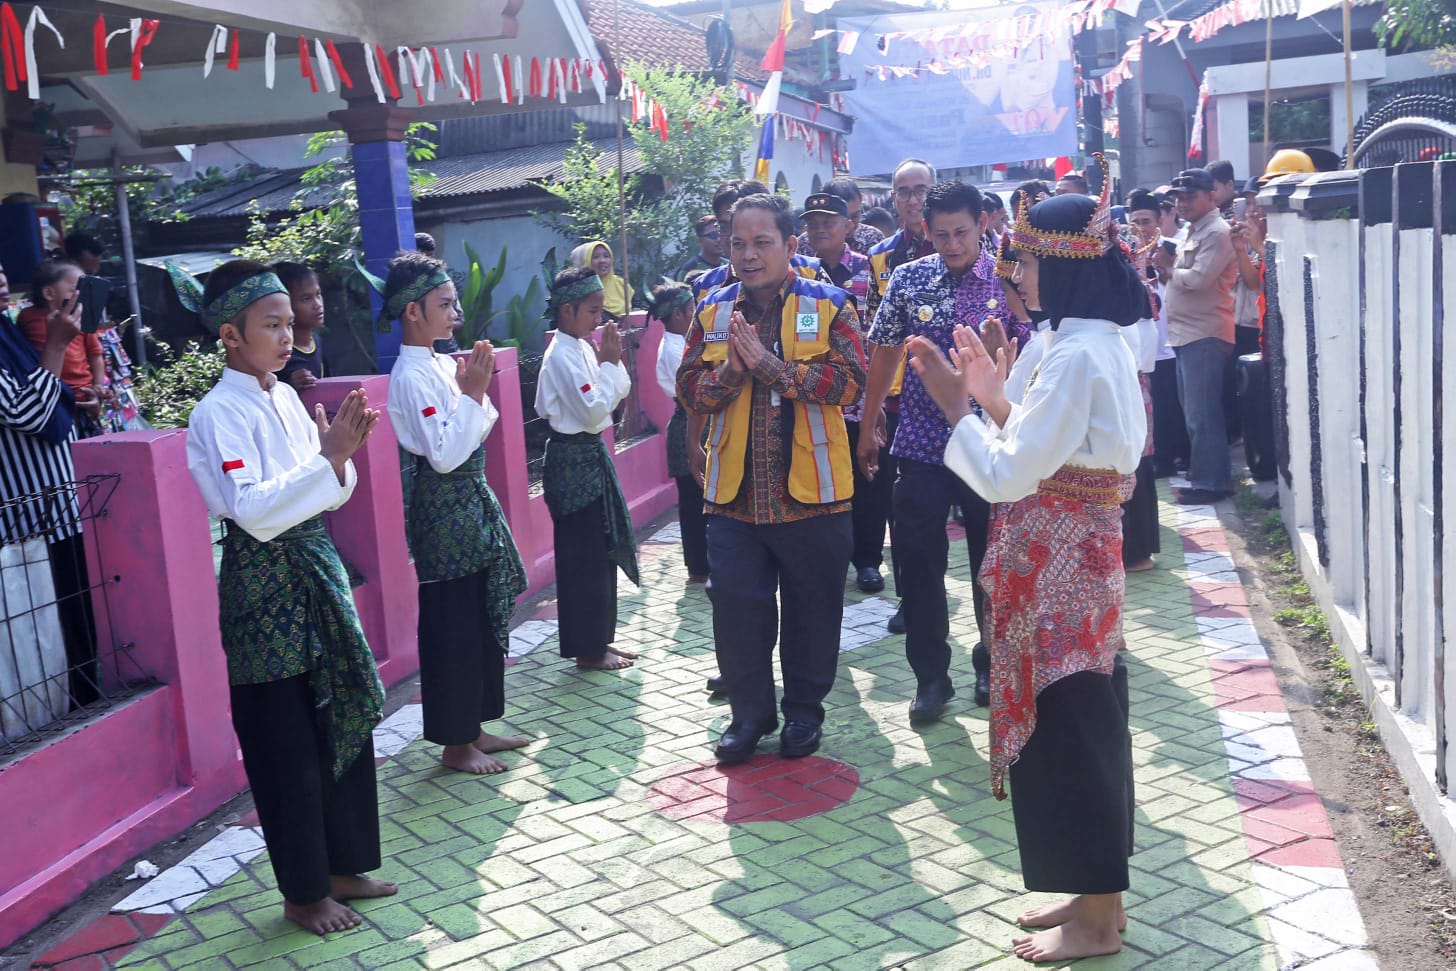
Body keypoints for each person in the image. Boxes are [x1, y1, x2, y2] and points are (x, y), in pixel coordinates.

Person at [907, 188, 1144, 964]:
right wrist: (995, 400)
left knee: (1077, 730)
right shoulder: (1077, 339)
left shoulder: (1078, 352)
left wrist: (959, 409)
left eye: (1032, 257)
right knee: (1080, 729)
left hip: (1062, 574)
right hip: (1064, 566)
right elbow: (1044, 446)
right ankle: (1093, 897)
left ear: (1069, 264)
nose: (1020, 270)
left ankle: (1100, 923)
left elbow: (1012, 475)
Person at [184, 259, 394, 936]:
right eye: (270, 324)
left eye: (286, 322)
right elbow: (254, 513)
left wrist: (335, 456)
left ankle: (343, 863)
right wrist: (328, 458)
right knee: (287, 745)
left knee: (338, 721)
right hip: (262, 587)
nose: (286, 333)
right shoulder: (217, 413)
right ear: (231, 336)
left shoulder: (283, 397)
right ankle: (302, 892)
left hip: (313, 571)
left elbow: (338, 486)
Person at [678, 193, 866, 765]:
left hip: (815, 493)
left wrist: (770, 368)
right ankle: (749, 716)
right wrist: (732, 373)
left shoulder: (832, 305)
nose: (748, 254)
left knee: (814, 609)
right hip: (733, 499)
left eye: (762, 242)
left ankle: (805, 712)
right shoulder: (711, 311)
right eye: (738, 242)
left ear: (790, 245)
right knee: (737, 610)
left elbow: (851, 384)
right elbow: (690, 388)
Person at [863, 180, 1032, 720]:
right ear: (924, 232)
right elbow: (885, 353)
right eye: (940, 235)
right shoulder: (909, 280)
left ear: (983, 223)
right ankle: (931, 678)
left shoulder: (1009, 278)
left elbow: (1029, 360)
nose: (952, 244)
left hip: (992, 444)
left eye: (961, 232)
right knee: (917, 564)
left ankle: (989, 662)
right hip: (920, 444)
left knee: (993, 560)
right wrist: (869, 423)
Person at [385, 251, 530, 776]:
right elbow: (444, 455)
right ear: (412, 312)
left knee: (476, 618)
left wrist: (471, 396)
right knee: (451, 626)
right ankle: (454, 744)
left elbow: (480, 421)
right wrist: (471, 397)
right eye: (444, 305)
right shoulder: (410, 376)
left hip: (469, 500)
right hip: (442, 509)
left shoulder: (445, 364)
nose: (454, 315)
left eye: (454, 304)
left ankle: (476, 727)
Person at [0, 259, 100, 708]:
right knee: (46, 634)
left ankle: (88, 703)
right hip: (26, 522)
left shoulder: (8, 332)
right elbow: (27, 415)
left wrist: (79, 399)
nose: (3, 278)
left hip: (59, 507)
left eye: (3, 269)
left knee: (82, 624)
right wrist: (58, 346)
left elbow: (47, 393)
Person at [536, 267, 640, 670]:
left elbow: (608, 399)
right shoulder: (561, 354)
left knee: (599, 551)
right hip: (572, 461)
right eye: (593, 310)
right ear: (567, 310)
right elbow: (597, 412)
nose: (600, 319)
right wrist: (612, 365)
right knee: (582, 556)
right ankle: (587, 649)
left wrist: (610, 369)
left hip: (589, 456)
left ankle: (600, 640)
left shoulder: (579, 346)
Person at [862, 159, 939, 631]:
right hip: (900, 401)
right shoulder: (882, 258)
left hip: (961, 399)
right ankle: (912, 601)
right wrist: (872, 412)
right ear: (893, 199)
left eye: (921, 189)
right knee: (906, 513)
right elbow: (877, 336)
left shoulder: (970, 243)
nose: (913, 199)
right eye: (904, 191)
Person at [1165, 168, 1238, 504]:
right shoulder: (1197, 230)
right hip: (1188, 332)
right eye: (1178, 198)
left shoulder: (1216, 232)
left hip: (1205, 332)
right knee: (1194, 411)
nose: (1181, 203)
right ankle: (1206, 474)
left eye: (1189, 196)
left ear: (1212, 196)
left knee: (1202, 412)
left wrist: (1169, 268)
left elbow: (1199, 279)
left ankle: (1212, 483)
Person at [1127, 191, 1189, 478]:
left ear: (1161, 220)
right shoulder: (1123, 257)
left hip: (1176, 340)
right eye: (1135, 221)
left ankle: (1183, 458)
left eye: (1147, 221)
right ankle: (1160, 461)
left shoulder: (1176, 250)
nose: (1141, 228)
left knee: (1177, 405)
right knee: (1154, 408)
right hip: (1144, 347)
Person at [651, 282, 709, 582]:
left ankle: (703, 562)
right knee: (692, 501)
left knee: (698, 499)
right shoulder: (676, 349)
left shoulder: (681, 342)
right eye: (691, 310)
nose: (696, 314)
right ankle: (698, 565)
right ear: (677, 314)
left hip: (692, 420)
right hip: (688, 424)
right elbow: (697, 391)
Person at [18, 260, 106, 438]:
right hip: (47, 396)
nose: (80, 297)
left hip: (82, 395)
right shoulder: (27, 317)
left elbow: (95, 355)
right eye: (74, 290)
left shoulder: (82, 319)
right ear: (49, 293)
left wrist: (98, 384)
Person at [797, 177, 885, 258]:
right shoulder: (803, 245)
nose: (851, 225)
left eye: (855, 216)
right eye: (844, 218)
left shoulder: (873, 238)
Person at [273, 262, 327, 391]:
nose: (318, 304)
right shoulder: (276, 353)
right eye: (306, 299)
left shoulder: (316, 340)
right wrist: (289, 386)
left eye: (318, 294)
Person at [570, 240, 633, 320]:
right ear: (588, 261)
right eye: (596, 257)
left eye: (606, 256)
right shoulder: (583, 289)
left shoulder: (621, 284)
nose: (602, 261)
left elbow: (637, 309)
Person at [674, 216, 725, 281]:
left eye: (720, 234)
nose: (719, 239)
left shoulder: (730, 266)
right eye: (713, 235)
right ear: (700, 240)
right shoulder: (688, 270)